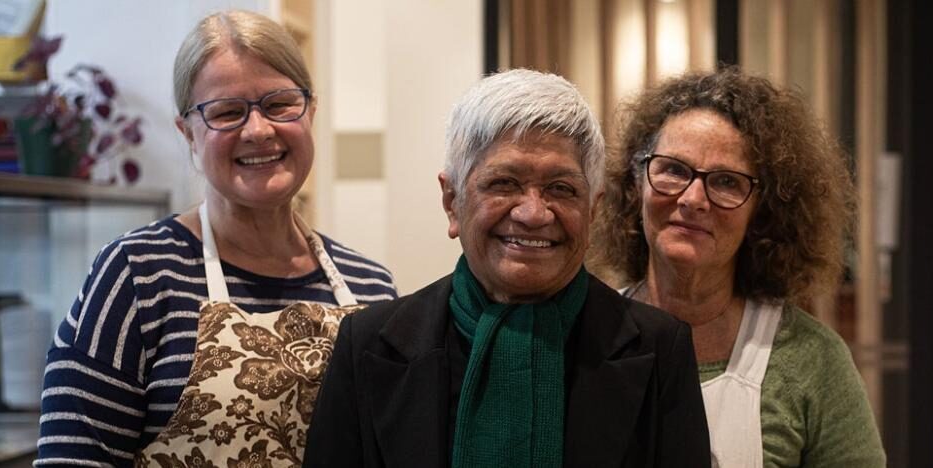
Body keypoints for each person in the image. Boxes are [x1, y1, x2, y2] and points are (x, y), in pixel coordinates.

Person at [36, 10, 397, 466]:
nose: (258, 130)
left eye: (279, 104)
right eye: (227, 113)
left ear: (310, 109)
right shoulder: (138, 275)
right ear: (187, 132)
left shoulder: (370, 287)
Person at [303, 69, 710, 468]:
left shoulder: (659, 348)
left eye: (561, 189)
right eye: (504, 183)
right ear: (452, 201)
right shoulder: (368, 344)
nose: (533, 213)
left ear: (593, 210)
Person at [590, 67, 885, 467]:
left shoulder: (810, 360)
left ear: (763, 213)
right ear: (635, 183)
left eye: (726, 182)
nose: (693, 199)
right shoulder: (585, 340)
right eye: (674, 169)